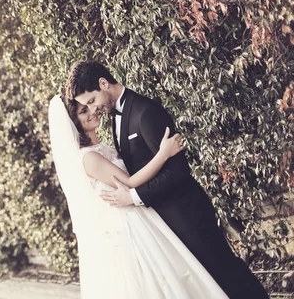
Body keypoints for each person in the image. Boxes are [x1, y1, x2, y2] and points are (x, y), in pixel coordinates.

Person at [63, 59, 267, 298]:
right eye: (86, 106)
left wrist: (133, 197)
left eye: (92, 101)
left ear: (103, 83)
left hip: (187, 215)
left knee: (226, 273)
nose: (94, 108)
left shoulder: (145, 112)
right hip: (161, 223)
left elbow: (178, 171)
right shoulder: (116, 119)